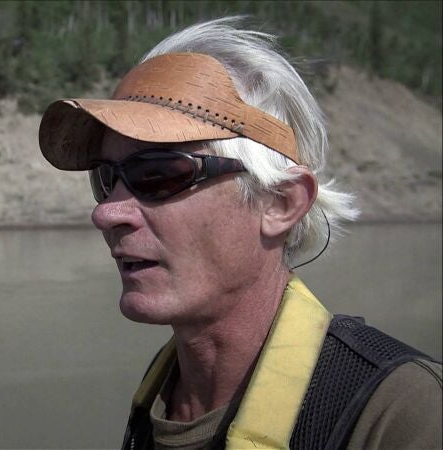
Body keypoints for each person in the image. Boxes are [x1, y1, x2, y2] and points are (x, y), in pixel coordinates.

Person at [37, 17, 442, 450]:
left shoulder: (399, 412)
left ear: (280, 203)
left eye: (156, 174)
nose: (108, 213)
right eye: (105, 179)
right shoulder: (161, 397)